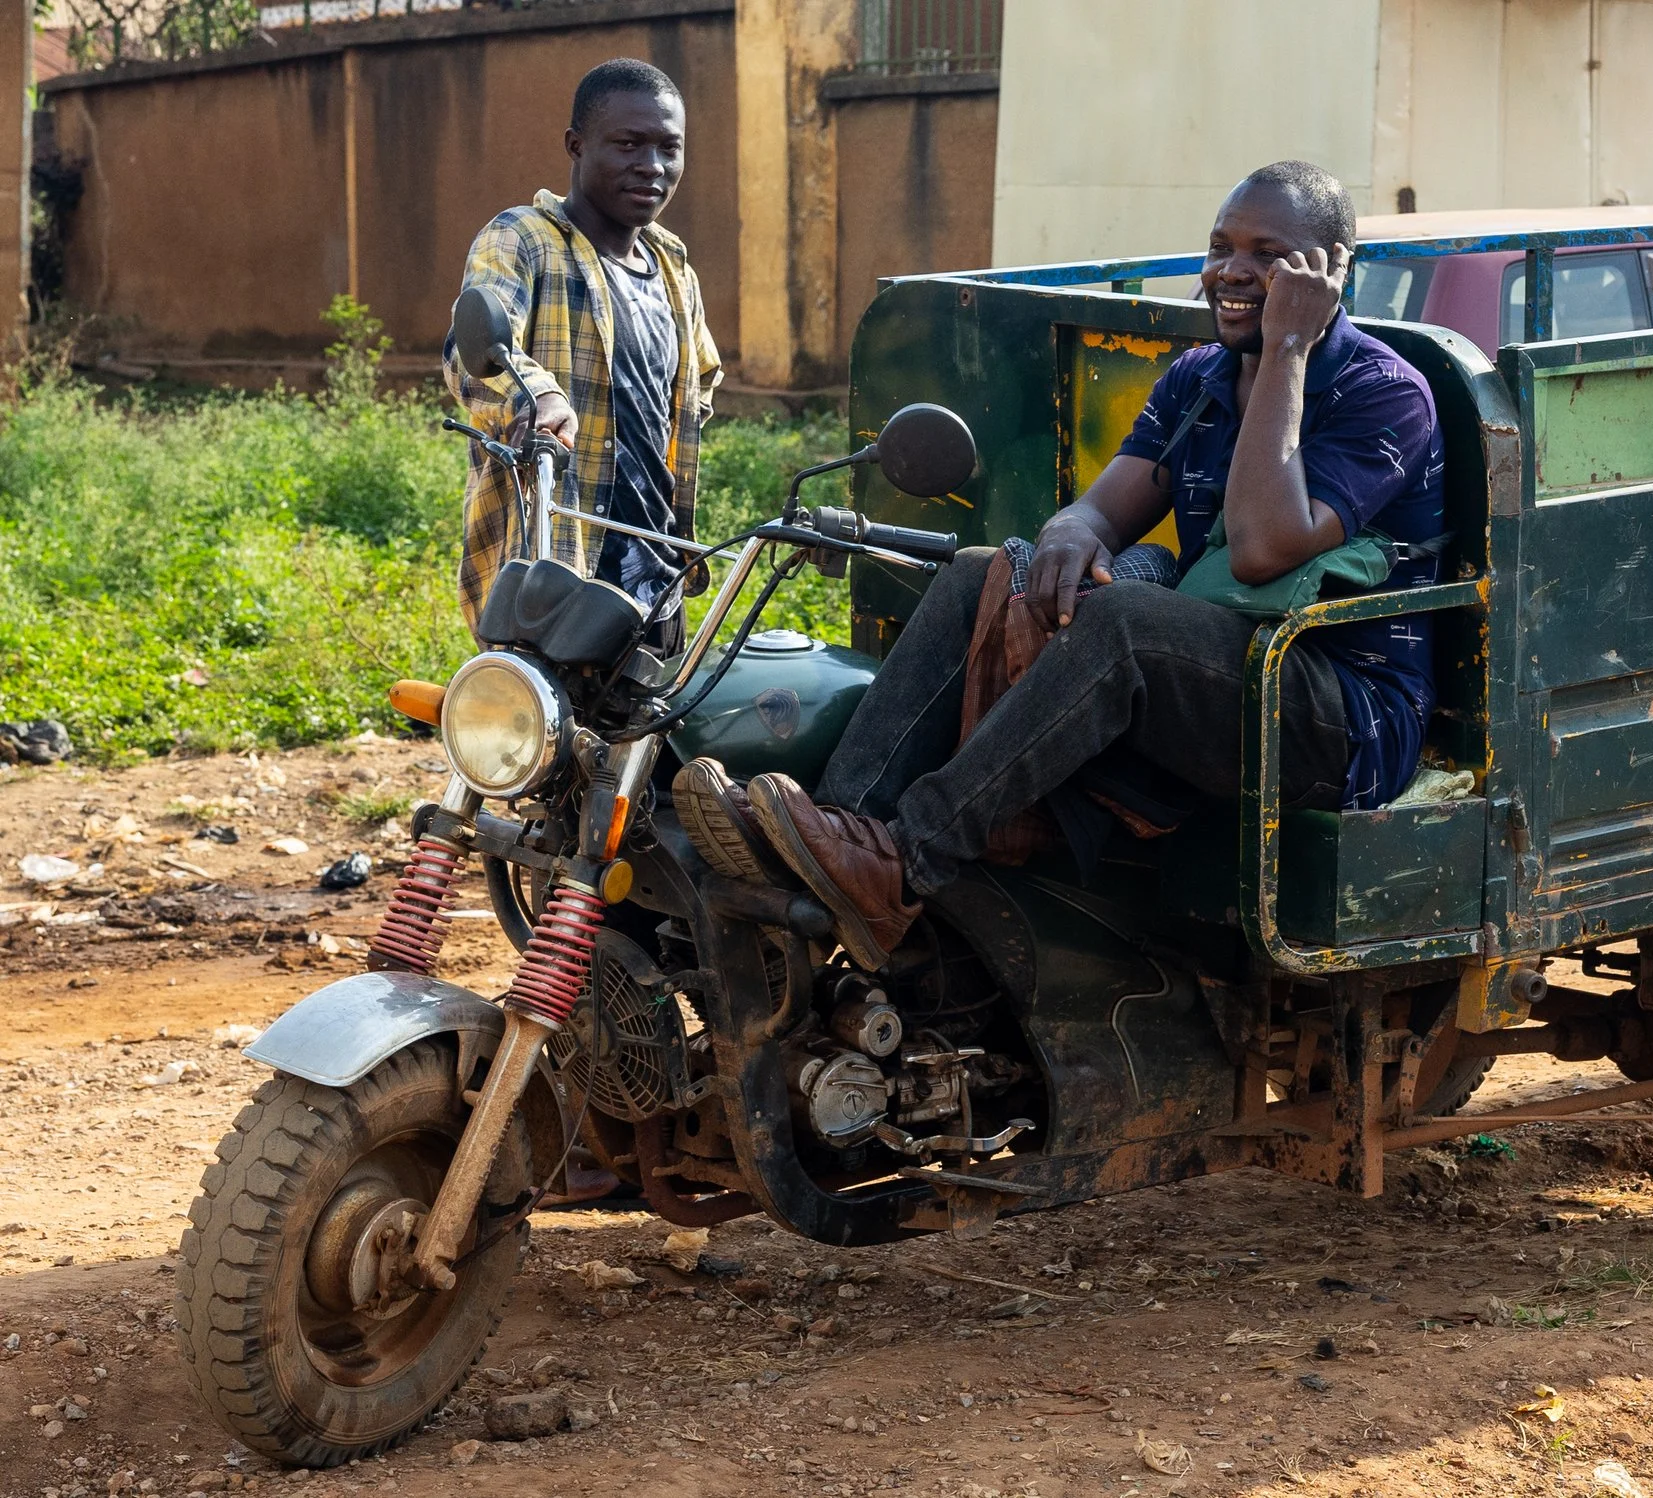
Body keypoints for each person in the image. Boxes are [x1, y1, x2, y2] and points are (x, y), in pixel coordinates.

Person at [676, 161, 1445, 971]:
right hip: (1222, 665)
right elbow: (1100, 508)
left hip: (1339, 706)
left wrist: (1287, 348)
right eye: (1221, 247)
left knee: (1124, 626)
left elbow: (1260, 548)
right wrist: (1071, 536)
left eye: (1266, 253)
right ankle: (841, 834)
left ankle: (910, 860)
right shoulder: (1197, 379)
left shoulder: (1384, 392)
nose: (1231, 271)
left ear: (1329, 270)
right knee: (981, 569)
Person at [446, 57, 723, 654]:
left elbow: (699, 382)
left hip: (656, 570)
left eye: (669, 148)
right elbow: (475, 351)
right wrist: (540, 395)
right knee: (542, 743)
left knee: (654, 744)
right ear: (576, 145)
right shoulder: (521, 239)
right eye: (628, 144)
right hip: (553, 569)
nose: (652, 166)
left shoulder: (674, 267)